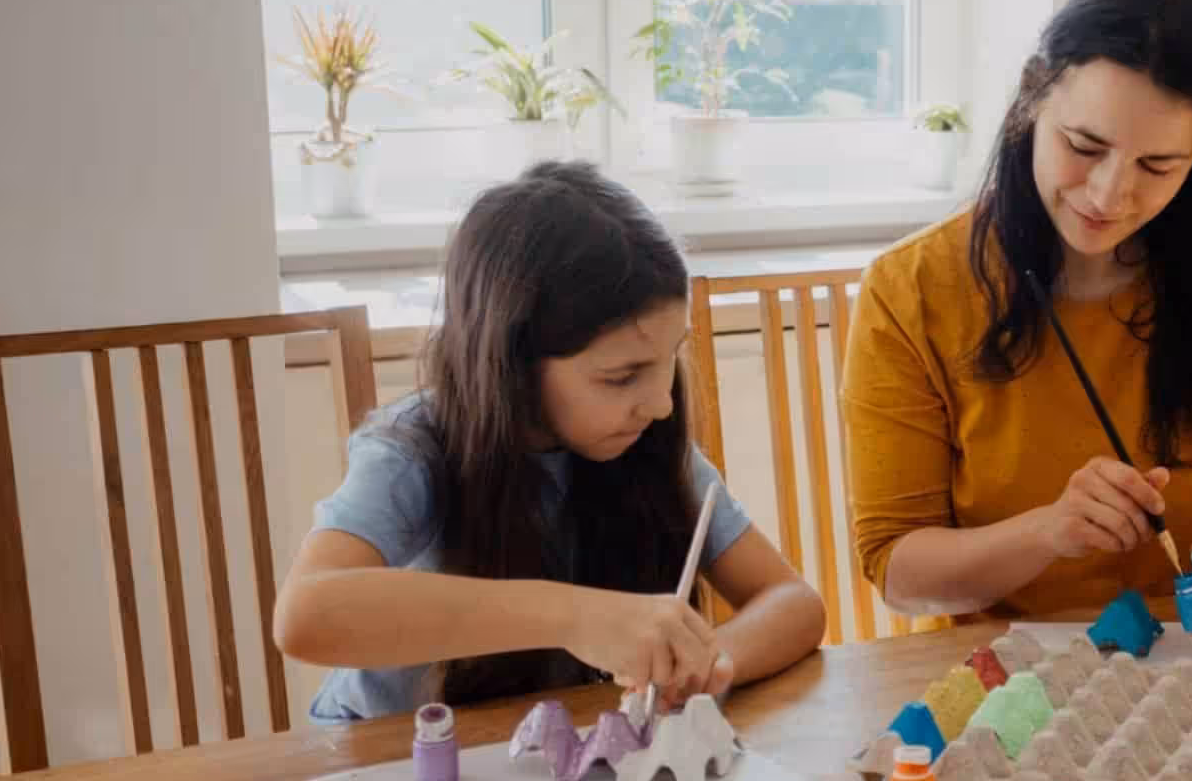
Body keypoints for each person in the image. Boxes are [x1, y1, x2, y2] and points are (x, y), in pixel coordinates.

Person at [842, 0, 1192, 626]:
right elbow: (899, 571)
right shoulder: (912, 290)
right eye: (1083, 146)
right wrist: (1048, 533)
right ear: (1031, 100)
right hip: (1005, 685)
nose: (1108, 195)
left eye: (1158, 166)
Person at [275, 160, 826, 721]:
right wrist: (573, 615)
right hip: (390, 761)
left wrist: (708, 664)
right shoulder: (415, 453)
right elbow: (305, 616)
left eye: (670, 358)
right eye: (621, 376)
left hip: (547, 764)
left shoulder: (647, 444)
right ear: (513, 363)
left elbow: (793, 603)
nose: (661, 403)